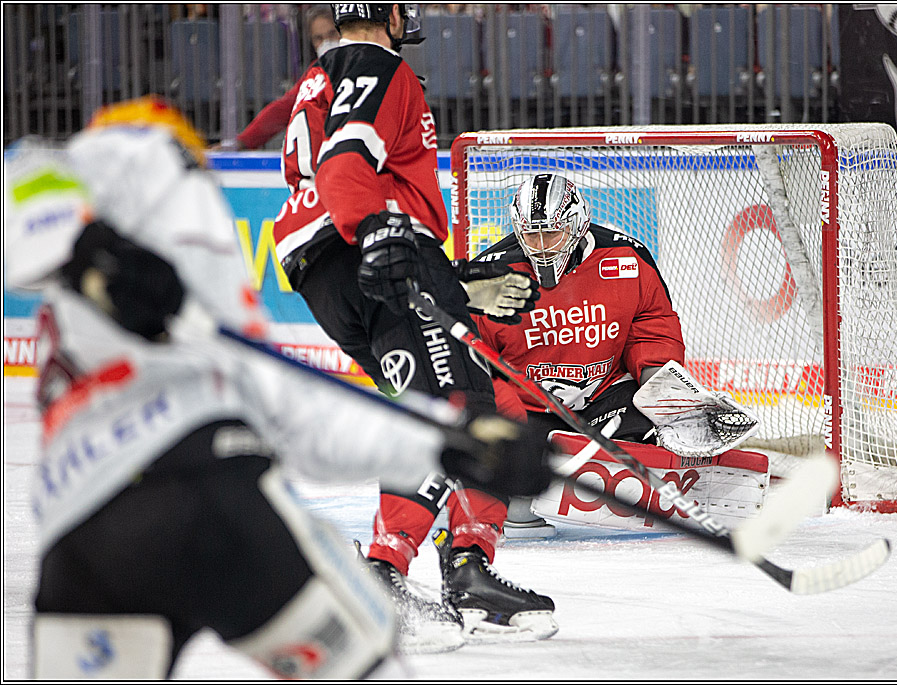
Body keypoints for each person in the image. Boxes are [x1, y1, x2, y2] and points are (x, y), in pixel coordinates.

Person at [2, 97, 553, 678]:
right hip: (207, 497)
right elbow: (40, 180)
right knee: (371, 665)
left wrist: (448, 442)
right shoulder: (146, 174)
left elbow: (302, 420)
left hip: (84, 535)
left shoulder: (205, 306)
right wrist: (95, 253)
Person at [271, 3, 555, 643]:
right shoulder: (379, 66)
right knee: (453, 408)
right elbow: (347, 166)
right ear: (391, 14)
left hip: (330, 268)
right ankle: (384, 575)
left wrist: (441, 275)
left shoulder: (325, 73)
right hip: (374, 247)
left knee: (482, 404)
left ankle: (467, 567)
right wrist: (377, 234)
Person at [471, 173, 691, 536]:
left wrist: (657, 378)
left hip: (605, 398)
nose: (540, 246)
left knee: (648, 425)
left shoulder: (626, 258)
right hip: (529, 408)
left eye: (551, 233)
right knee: (504, 471)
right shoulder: (488, 276)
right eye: (531, 234)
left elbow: (651, 322)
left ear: (575, 225)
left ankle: (645, 459)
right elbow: (475, 361)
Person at [212, 6, 341, 151]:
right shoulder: (317, 71)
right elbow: (284, 108)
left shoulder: (364, 64)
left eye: (332, 34)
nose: (326, 42)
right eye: (318, 38)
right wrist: (242, 142)